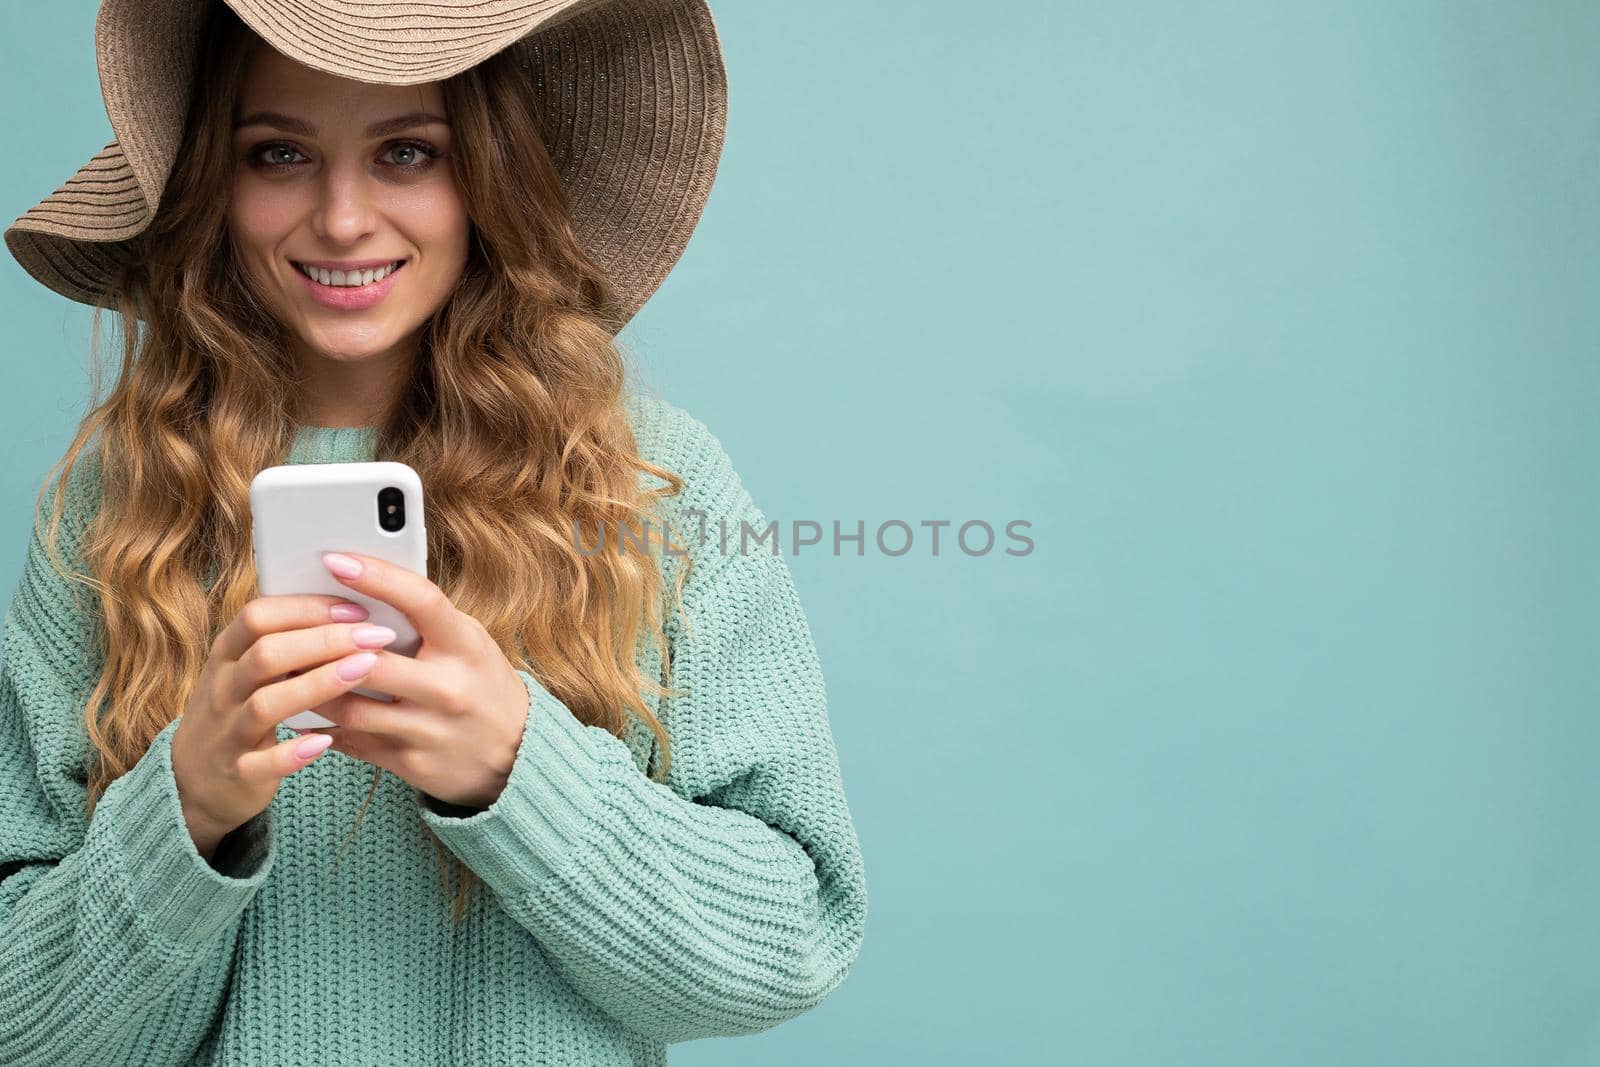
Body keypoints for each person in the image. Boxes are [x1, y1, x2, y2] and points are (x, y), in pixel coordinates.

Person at [0, 1, 868, 1064]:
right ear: (213, 189)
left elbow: (794, 940)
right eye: (278, 154)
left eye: (407, 152)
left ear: (488, 179)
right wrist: (188, 808)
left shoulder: (650, 481)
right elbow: (23, 1025)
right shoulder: (113, 504)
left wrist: (517, 768)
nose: (344, 218)